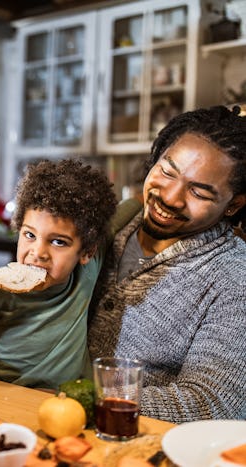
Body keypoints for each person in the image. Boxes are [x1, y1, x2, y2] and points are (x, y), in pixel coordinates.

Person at [88, 105, 246, 423]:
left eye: (199, 192)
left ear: (234, 205)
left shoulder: (234, 278)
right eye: (167, 171)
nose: (171, 197)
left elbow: (212, 405)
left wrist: (83, 395)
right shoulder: (108, 228)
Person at [0, 159, 119, 389]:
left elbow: (128, 210)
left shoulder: (87, 269)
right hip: (4, 399)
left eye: (58, 242)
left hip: (67, 405)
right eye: (30, 235)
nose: (38, 253)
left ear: (87, 252)